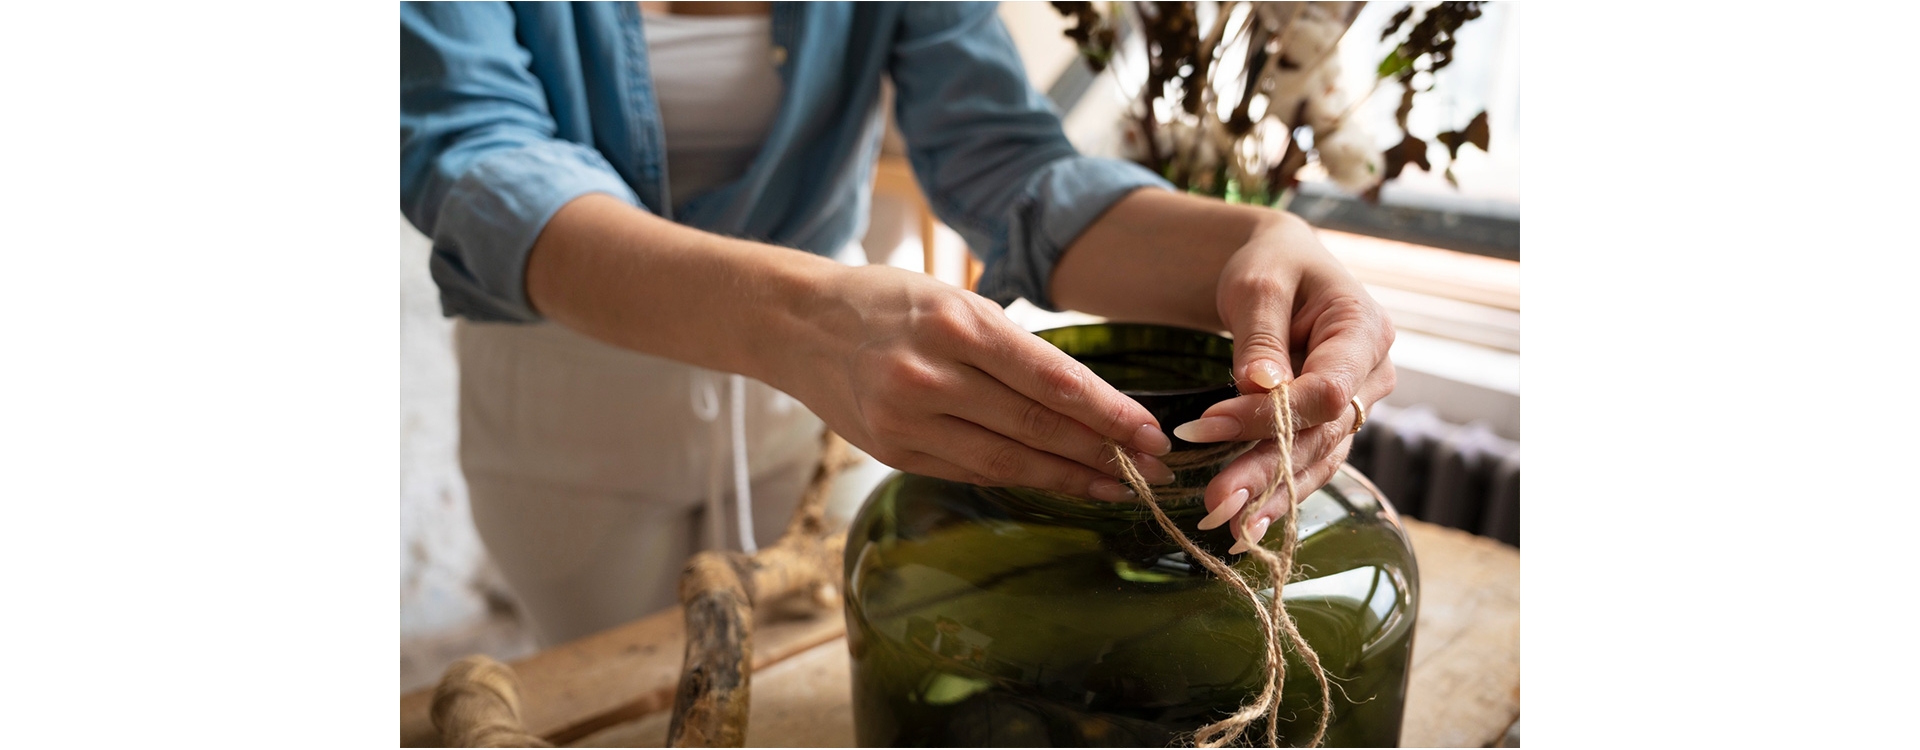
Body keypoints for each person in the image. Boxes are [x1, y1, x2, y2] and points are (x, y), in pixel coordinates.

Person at [401, 1, 1395, 646]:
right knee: (609, 691)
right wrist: (798, 322)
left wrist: (1252, 243)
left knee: (824, 662)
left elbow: (1014, 168)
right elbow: (475, 159)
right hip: (568, 396)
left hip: (829, 406)